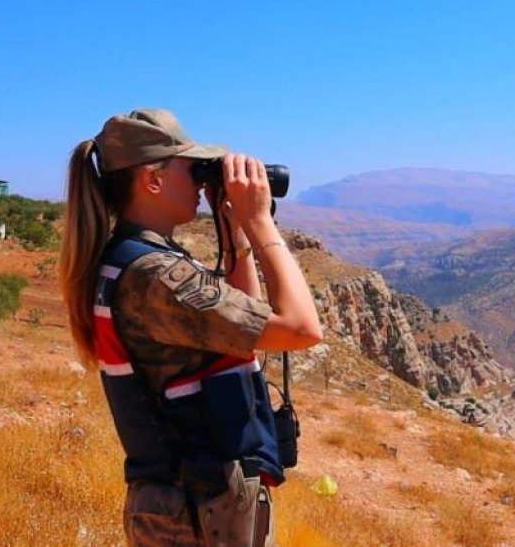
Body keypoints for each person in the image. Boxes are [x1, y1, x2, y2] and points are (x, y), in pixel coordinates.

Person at [60, 108, 323, 546]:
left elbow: (244, 321)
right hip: (197, 509)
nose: (203, 182)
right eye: (192, 169)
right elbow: (301, 329)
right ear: (153, 180)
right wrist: (261, 223)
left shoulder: (139, 259)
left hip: (197, 500)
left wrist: (234, 229)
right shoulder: (156, 276)